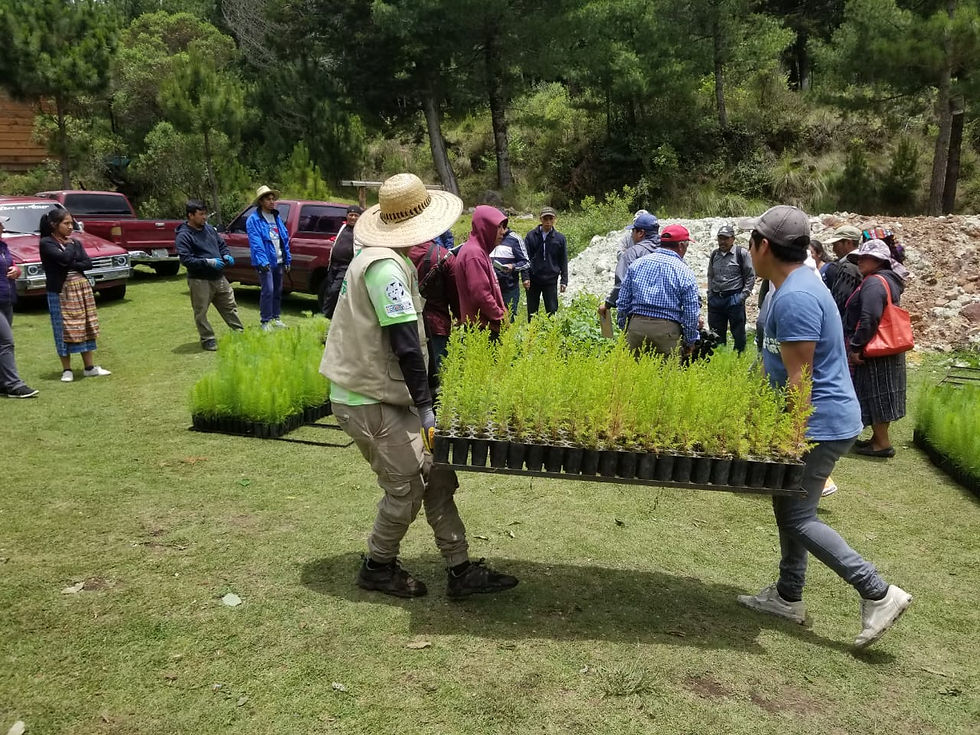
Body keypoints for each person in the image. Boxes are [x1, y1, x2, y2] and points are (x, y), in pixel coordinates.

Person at [319, 172, 518, 599]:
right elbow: (407, 345)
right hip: (366, 397)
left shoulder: (395, 258)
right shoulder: (383, 267)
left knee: (438, 473)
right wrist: (428, 408)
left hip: (392, 392)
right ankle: (377, 565)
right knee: (406, 486)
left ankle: (460, 570)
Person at [737, 205, 911, 649]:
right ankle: (788, 595)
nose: (748, 249)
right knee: (788, 507)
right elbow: (773, 362)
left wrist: (790, 439)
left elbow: (800, 378)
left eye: (751, 242)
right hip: (815, 418)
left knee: (797, 514)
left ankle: (877, 591)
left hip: (822, 422)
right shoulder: (783, 288)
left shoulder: (796, 296)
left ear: (764, 247)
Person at [843, 239, 909, 459]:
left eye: (865, 257)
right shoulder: (889, 280)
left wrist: (857, 347)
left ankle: (882, 443)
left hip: (874, 350)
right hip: (886, 348)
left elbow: (869, 317)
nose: (860, 261)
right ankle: (878, 439)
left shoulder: (874, 283)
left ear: (879, 261)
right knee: (884, 392)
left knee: (877, 392)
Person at [38, 208, 110, 382]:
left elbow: (87, 264)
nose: (71, 227)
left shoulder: (76, 242)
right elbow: (63, 260)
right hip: (61, 290)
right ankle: (67, 370)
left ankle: (89, 367)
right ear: (54, 225)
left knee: (86, 325)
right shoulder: (47, 243)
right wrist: (69, 251)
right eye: (66, 223)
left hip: (81, 288)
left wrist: (70, 261)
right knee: (63, 328)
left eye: (72, 223)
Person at [616, 224, 700, 357]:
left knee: (634, 376)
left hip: (636, 328)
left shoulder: (637, 264)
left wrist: (624, 328)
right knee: (666, 376)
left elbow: (622, 302)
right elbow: (691, 312)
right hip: (667, 333)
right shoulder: (685, 271)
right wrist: (690, 341)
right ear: (681, 246)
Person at [175, 200, 244, 351]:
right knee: (201, 311)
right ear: (190, 215)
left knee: (230, 306)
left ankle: (239, 332)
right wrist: (207, 262)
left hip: (219, 277)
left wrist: (226, 255)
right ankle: (207, 338)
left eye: (205, 213)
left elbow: (222, 245)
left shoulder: (209, 230)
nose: (205, 217)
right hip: (199, 280)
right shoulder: (184, 235)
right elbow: (186, 259)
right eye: (201, 214)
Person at [408, 234, 459, 393]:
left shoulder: (400, 254)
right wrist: (459, 315)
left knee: (408, 375)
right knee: (435, 378)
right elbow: (455, 294)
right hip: (437, 325)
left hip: (405, 325)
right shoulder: (444, 256)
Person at [455, 205, 508, 336]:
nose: (503, 232)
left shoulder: (478, 251)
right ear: (485, 227)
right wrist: (501, 317)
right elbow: (481, 295)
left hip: (484, 326)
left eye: (503, 227)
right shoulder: (474, 254)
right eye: (498, 227)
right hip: (483, 329)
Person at [0, 215, 38, 397]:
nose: (2, 227)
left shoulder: (3, 246)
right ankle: (15, 385)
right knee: (6, 342)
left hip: (6, 299)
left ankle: (2, 383)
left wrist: (16, 270)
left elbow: (11, 264)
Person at [598, 212, 661, 321]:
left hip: (639, 318)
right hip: (670, 326)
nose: (631, 234)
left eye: (633, 230)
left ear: (641, 233)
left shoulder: (632, 253)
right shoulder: (671, 251)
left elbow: (622, 283)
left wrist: (608, 304)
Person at [247, 185, 291, 330]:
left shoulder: (276, 217)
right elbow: (256, 243)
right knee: (269, 290)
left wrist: (287, 259)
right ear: (261, 201)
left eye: (273, 199)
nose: (272, 202)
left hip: (278, 260)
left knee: (278, 290)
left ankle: (276, 318)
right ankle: (265, 321)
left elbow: (284, 238)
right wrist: (262, 261)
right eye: (268, 199)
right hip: (265, 261)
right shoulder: (253, 219)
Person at [706, 224, 755, 353]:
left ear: (733, 239)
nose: (722, 241)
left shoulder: (741, 253)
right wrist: (710, 294)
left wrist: (742, 296)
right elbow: (710, 275)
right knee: (715, 334)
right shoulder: (714, 254)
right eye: (720, 238)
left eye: (725, 238)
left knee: (738, 333)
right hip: (716, 298)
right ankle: (718, 357)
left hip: (734, 298)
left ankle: (739, 357)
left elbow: (750, 276)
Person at [523, 206, 568, 319]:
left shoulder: (559, 238)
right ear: (540, 219)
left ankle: (551, 335)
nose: (548, 222)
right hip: (534, 279)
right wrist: (525, 277)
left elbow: (563, 260)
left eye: (550, 219)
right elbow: (525, 258)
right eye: (545, 219)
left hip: (551, 280)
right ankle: (532, 334)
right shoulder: (531, 236)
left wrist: (564, 280)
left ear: (554, 219)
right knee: (532, 312)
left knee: (552, 311)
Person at [320, 205, 363, 319]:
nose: (353, 217)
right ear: (347, 216)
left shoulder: (361, 231)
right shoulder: (343, 227)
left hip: (346, 267)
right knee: (328, 290)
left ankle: (326, 316)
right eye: (351, 215)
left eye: (356, 215)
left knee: (335, 290)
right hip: (333, 265)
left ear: (360, 217)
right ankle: (328, 314)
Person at [490, 224, 529, 321]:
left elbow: (526, 262)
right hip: (490, 288)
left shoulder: (514, 239)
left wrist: (513, 266)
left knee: (508, 319)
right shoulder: (488, 237)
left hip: (508, 288)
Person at [821, 225, 863, 316]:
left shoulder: (848, 268)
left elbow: (839, 303)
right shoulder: (862, 262)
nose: (834, 249)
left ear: (848, 243)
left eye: (836, 245)